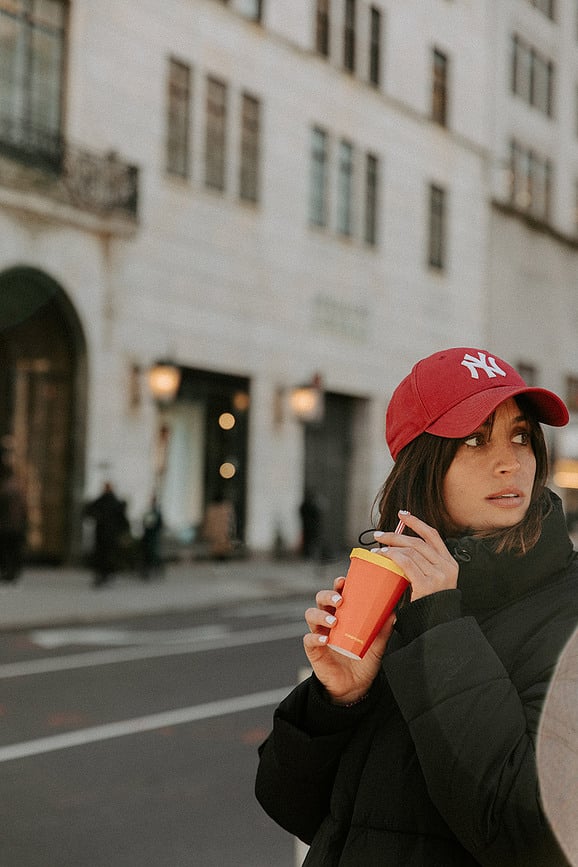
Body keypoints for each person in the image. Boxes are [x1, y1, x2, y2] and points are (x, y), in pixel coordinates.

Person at [256, 346, 578, 866]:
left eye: (521, 436)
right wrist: (337, 701)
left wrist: (441, 626)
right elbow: (295, 808)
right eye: (475, 439)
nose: (510, 462)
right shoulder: (396, 591)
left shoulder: (565, 608)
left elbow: (534, 832)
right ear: (422, 465)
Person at [83, 482, 131, 587]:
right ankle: (102, 575)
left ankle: (105, 575)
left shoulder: (113, 502)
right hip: (103, 534)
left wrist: (124, 531)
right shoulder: (104, 501)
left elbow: (122, 519)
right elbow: (89, 511)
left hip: (109, 534)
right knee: (102, 555)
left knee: (107, 556)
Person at [0, 460, 27, 584]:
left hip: (7, 525)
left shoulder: (5, 488)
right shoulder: (16, 487)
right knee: (13, 550)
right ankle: (12, 571)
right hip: (15, 525)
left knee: (7, 550)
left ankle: (9, 571)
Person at [140, 494, 164, 579]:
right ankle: (148, 570)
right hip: (148, 536)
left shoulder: (156, 512)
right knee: (148, 554)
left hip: (153, 536)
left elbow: (159, 524)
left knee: (153, 553)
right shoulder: (149, 512)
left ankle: (154, 569)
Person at [299, 489, 322, 560]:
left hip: (310, 527)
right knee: (309, 541)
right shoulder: (308, 505)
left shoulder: (308, 505)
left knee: (311, 541)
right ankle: (308, 555)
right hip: (310, 527)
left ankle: (310, 554)